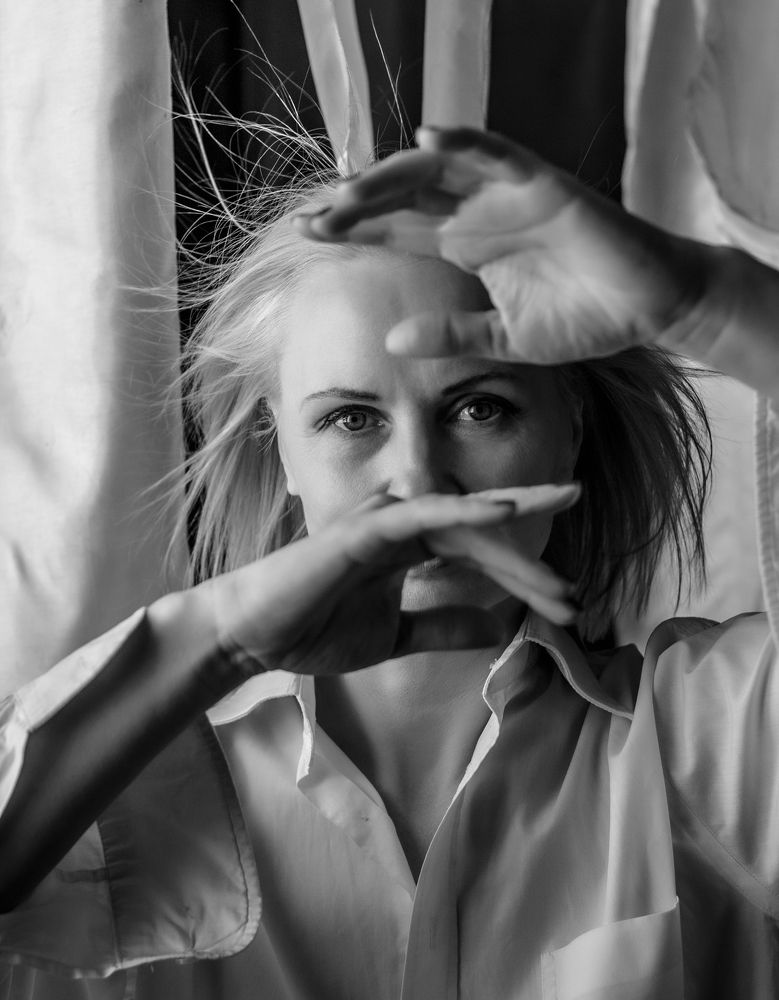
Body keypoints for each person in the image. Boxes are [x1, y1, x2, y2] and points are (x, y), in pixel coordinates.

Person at [0, 125, 778, 1000]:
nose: (417, 479)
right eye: (349, 419)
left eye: (480, 408)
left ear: (572, 430)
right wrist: (219, 642)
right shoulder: (121, 794)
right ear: (279, 449)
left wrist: (707, 305)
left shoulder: (714, 737)